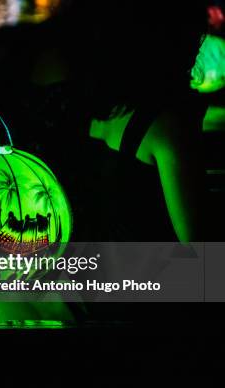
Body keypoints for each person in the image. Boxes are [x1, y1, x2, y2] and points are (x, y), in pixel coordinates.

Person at [30, 0, 209, 242]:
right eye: (196, 33)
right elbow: (203, 249)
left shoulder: (95, 110)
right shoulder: (168, 129)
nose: (200, 43)